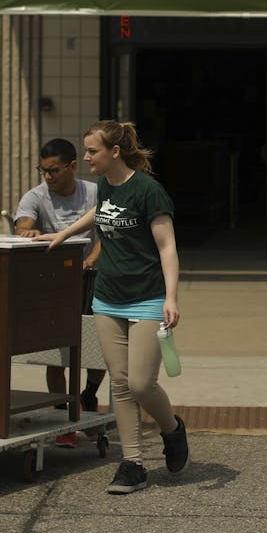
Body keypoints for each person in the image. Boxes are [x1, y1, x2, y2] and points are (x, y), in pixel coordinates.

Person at [46, 120, 188, 494]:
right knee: (121, 385)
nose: (86, 157)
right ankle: (133, 464)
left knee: (142, 383)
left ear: (114, 152)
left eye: (92, 151)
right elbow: (101, 213)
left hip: (147, 297)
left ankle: (172, 429)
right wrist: (63, 233)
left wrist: (171, 298)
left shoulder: (148, 191)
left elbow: (167, 247)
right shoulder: (105, 185)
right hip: (107, 297)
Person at [11, 137, 106, 447]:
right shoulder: (36, 197)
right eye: (44, 170)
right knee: (56, 349)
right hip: (54, 282)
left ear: (72, 167)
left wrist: (91, 260)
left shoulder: (93, 192)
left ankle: (88, 396)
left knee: (96, 344)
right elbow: (23, 224)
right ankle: (61, 413)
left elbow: (108, 232)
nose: (48, 177)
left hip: (90, 278)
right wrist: (28, 231)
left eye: (54, 171)